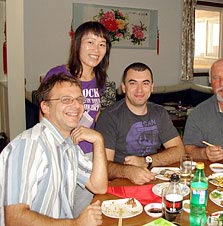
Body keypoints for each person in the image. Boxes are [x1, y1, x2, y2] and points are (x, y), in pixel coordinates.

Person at [0, 74, 108, 226]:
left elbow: (99, 186)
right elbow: (15, 218)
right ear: (45, 107)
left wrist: (98, 140)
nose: (76, 106)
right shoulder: (30, 145)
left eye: (79, 100)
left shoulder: (69, 146)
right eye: (66, 100)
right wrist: (76, 223)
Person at [95, 62, 185, 185]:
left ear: (152, 87)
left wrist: (146, 161)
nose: (139, 89)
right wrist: (129, 172)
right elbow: (103, 166)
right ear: (123, 87)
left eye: (145, 83)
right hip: (121, 182)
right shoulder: (110, 116)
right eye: (133, 83)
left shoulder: (159, 113)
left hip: (153, 180)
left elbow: (179, 151)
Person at [42, 21, 112, 154]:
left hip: (89, 151)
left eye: (102, 44)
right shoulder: (58, 74)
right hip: (61, 149)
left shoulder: (100, 79)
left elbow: (96, 114)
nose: (96, 50)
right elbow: (44, 114)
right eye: (90, 42)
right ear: (77, 44)